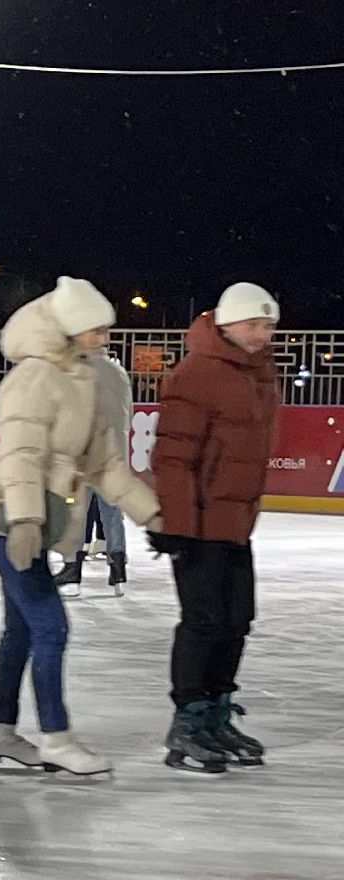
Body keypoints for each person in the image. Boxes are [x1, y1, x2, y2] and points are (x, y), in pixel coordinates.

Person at [0, 277, 161, 777]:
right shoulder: (34, 377)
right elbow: (21, 455)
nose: (104, 338)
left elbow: (106, 463)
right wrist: (26, 520)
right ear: (69, 330)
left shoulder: (84, 378)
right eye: (95, 330)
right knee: (50, 625)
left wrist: (152, 514)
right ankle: (56, 737)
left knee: (22, 629)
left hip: (33, 513)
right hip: (3, 512)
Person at [149, 283, 280, 774]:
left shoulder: (259, 374)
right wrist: (176, 525)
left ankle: (217, 712)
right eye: (254, 325)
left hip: (235, 524)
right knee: (203, 622)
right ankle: (187, 721)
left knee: (237, 619)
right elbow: (174, 456)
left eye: (268, 326)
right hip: (198, 524)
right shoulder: (197, 373)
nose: (263, 335)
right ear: (226, 325)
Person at [53, 348, 133, 596]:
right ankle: (118, 572)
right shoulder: (120, 374)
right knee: (112, 516)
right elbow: (126, 415)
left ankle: (72, 571)